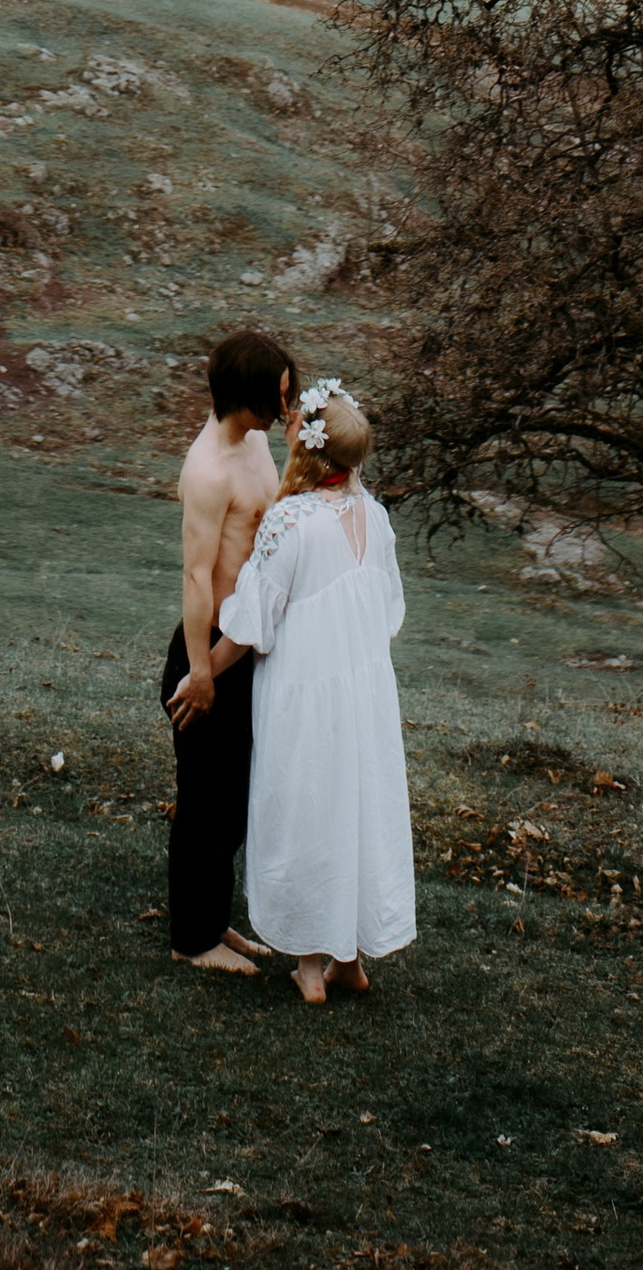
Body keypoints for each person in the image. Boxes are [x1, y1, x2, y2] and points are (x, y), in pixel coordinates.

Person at [215, 378, 416, 1004]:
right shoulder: (375, 518)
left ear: (307, 448)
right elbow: (388, 612)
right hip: (364, 691)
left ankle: (308, 964)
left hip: (304, 690)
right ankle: (348, 959)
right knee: (354, 805)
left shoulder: (289, 520)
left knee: (305, 802)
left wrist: (205, 669)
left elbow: (256, 621)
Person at [161, 326, 296, 973]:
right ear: (248, 394)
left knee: (235, 793)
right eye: (278, 391)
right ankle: (194, 939)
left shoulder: (257, 441)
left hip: (243, 648)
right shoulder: (209, 469)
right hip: (207, 653)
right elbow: (194, 575)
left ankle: (214, 919)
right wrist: (200, 670)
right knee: (205, 799)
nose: (285, 400)